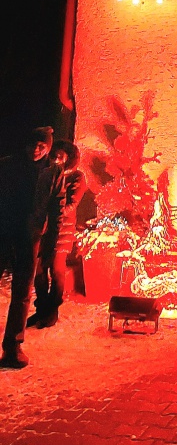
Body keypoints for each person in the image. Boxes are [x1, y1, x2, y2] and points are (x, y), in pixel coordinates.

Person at [0, 127, 64, 369]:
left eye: (41, 146)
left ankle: (13, 347)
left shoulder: (54, 172)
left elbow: (57, 209)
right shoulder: (7, 166)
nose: (36, 150)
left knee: (22, 292)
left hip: (31, 236)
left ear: (48, 147)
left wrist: (51, 244)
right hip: (3, 232)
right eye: (32, 145)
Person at [29, 140, 86, 329]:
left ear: (68, 158)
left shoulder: (76, 177)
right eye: (53, 156)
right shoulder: (45, 175)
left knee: (56, 270)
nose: (55, 159)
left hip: (61, 231)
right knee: (39, 271)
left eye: (60, 156)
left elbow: (71, 204)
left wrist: (51, 214)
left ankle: (52, 311)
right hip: (43, 231)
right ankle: (41, 309)